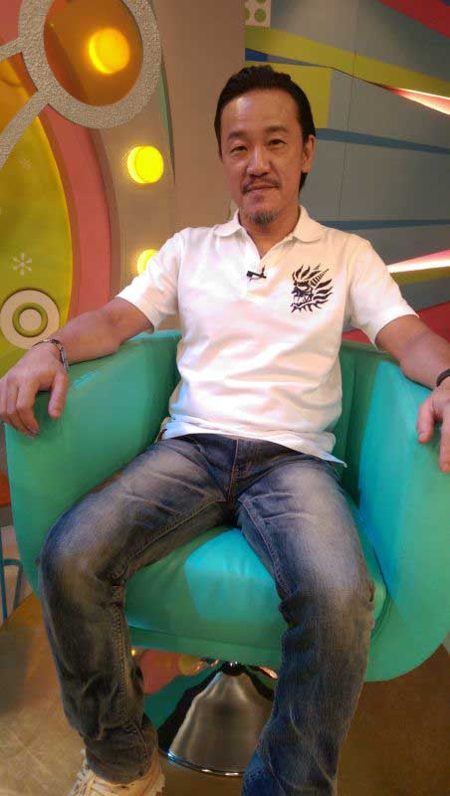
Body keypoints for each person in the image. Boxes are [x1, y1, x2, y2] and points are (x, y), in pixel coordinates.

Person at [1, 66, 449, 796]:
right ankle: (123, 761)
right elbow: (114, 321)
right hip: (192, 450)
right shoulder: (189, 249)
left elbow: (406, 337)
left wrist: (448, 377)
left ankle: (287, 785)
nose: (256, 162)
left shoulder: (346, 256)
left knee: (339, 598)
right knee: (71, 554)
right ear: (223, 158)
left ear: (306, 151)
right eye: (238, 146)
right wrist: (48, 349)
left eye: (276, 142)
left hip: (294, 463)